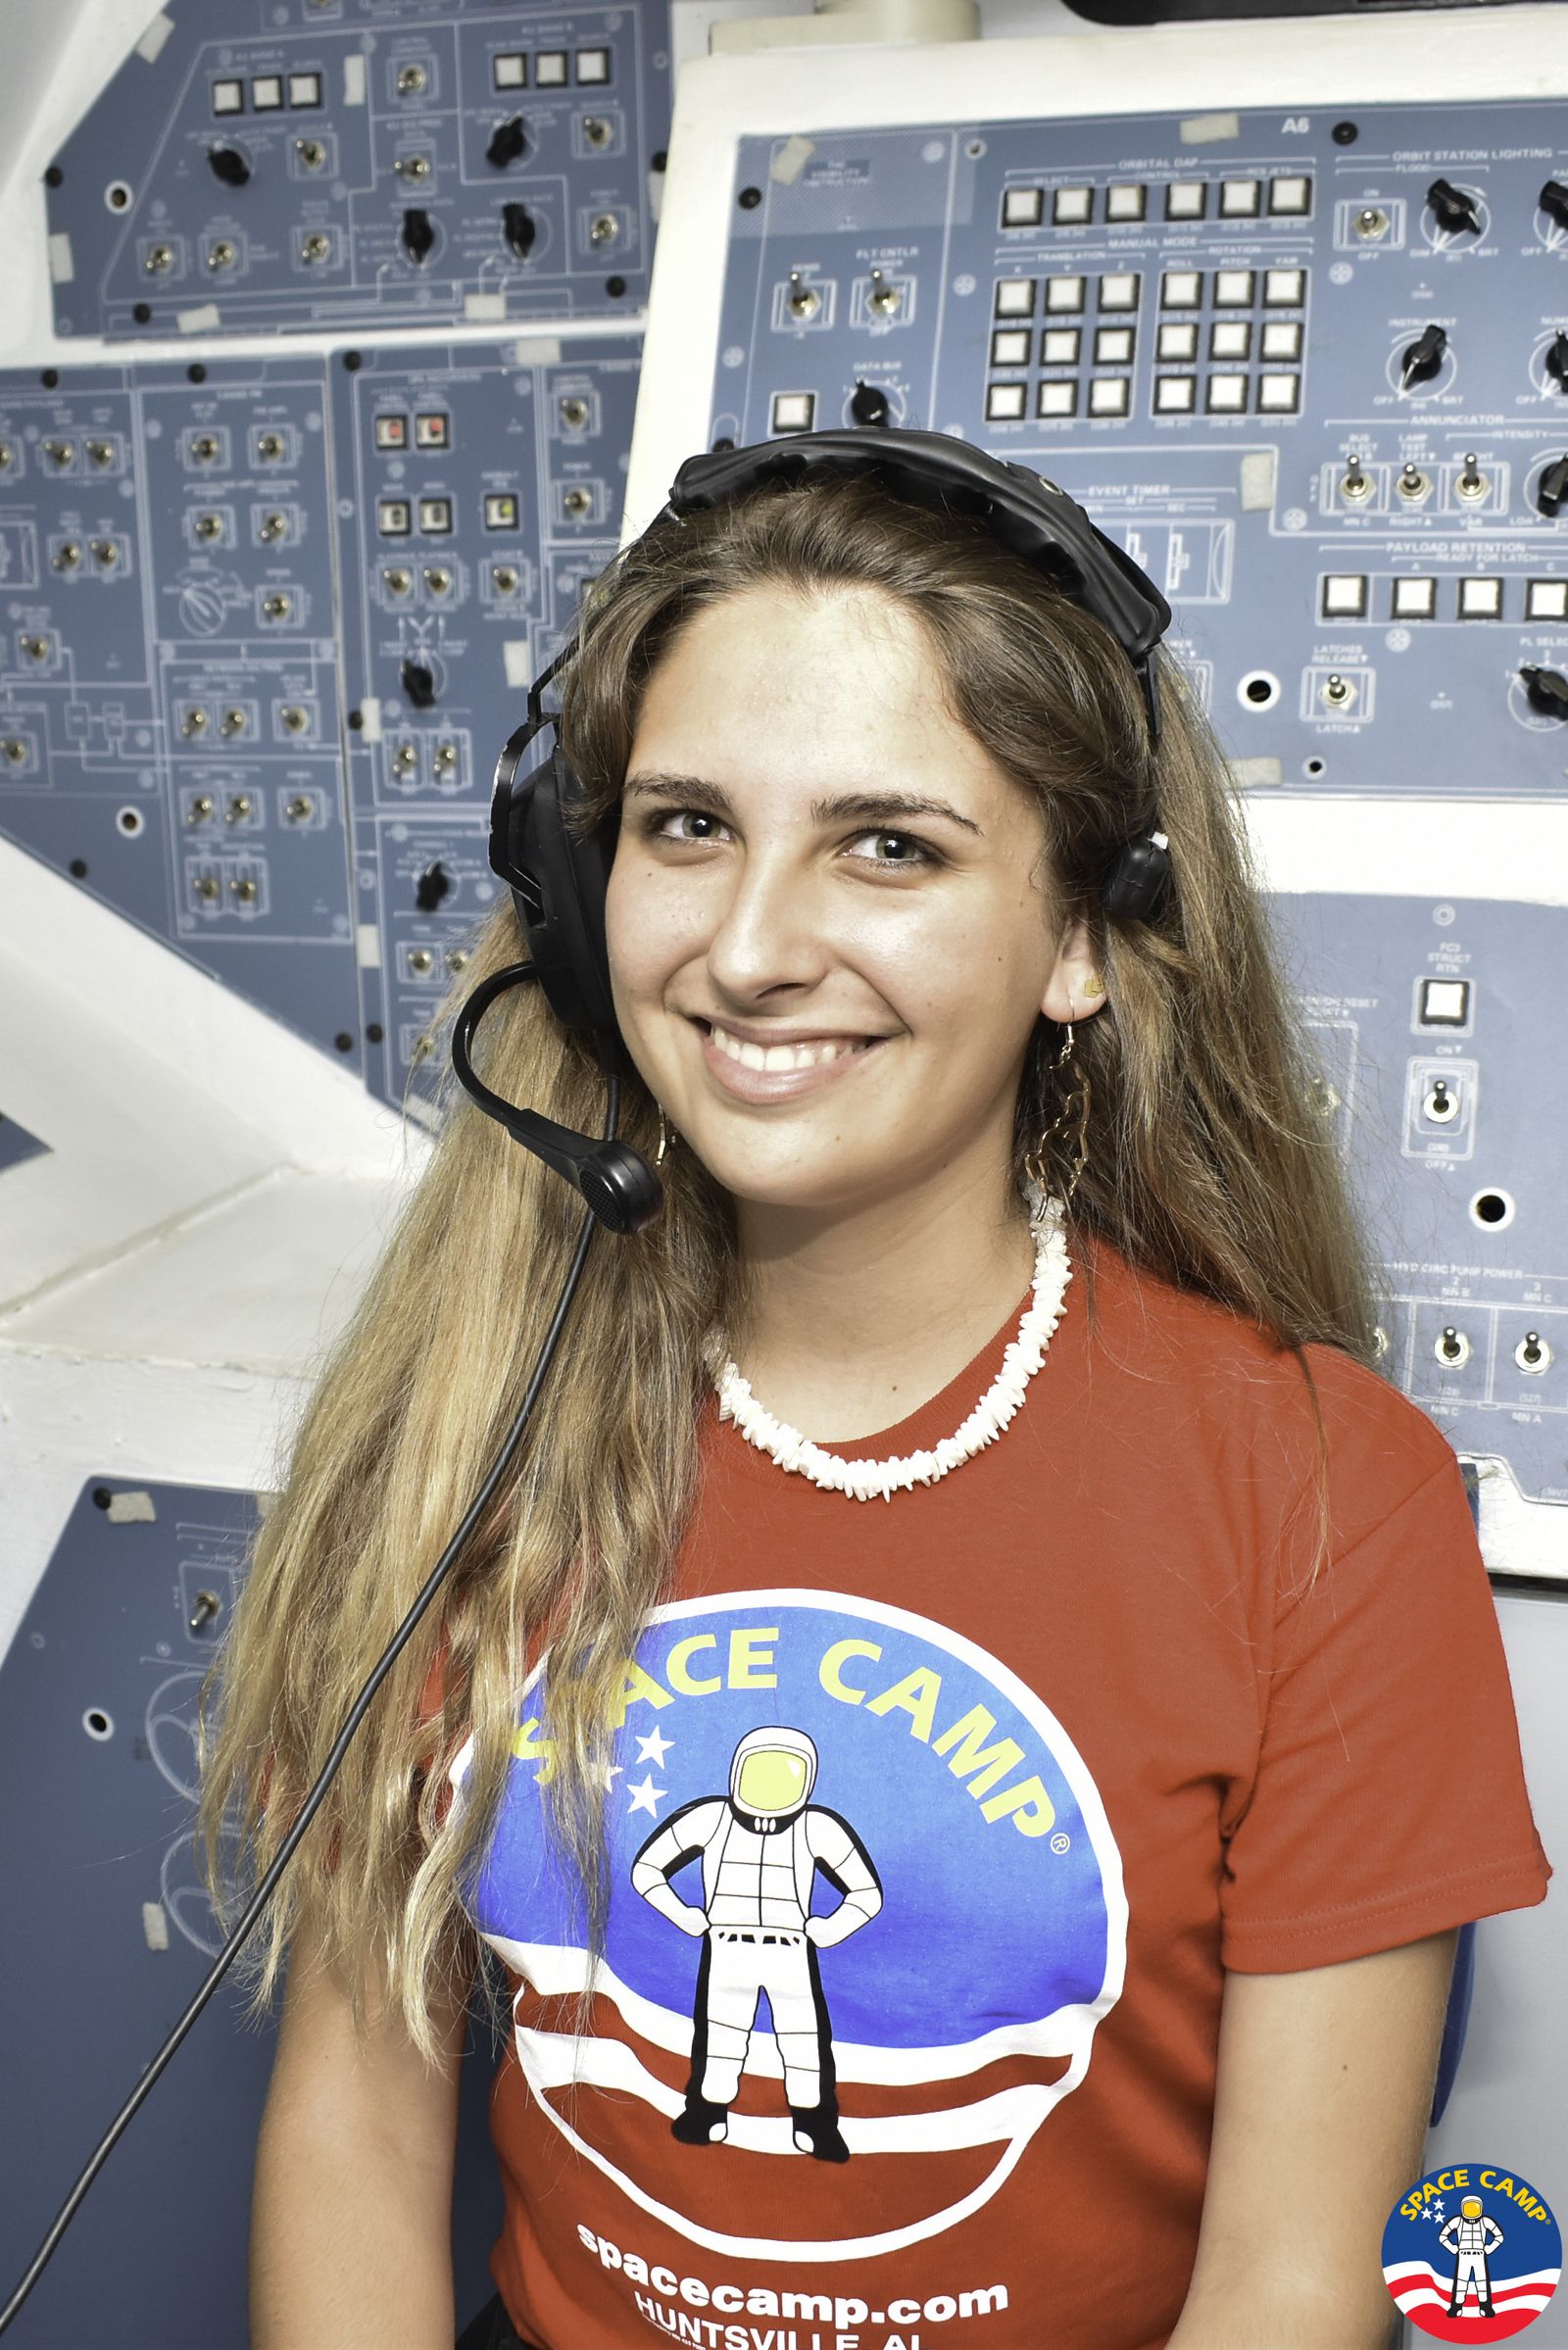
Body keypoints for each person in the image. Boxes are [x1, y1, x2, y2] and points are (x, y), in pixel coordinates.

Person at [198, 448, 1549, 2350]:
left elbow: (1285, 2287)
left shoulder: (1322, 1495)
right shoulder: (456, 1425)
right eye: (683, 826)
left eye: (886, 843)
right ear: (582, 898)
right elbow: (351, 2121)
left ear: (1081, 934)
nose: (746, 947)